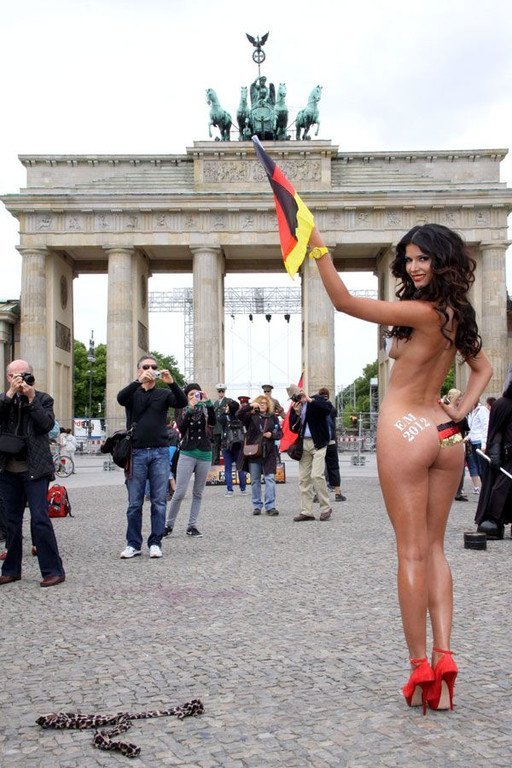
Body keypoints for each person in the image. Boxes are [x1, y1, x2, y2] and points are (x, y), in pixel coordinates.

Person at [308, 222, 492, 712]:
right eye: (408, 259)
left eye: (423, 258)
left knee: (411, 553)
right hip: (446, 434)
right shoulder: (456, 315)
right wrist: (462, 409)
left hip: (406, 428)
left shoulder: (420, 312)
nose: (413, 267)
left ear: (442, 261)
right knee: (436, 550)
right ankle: (445, 661)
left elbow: (344, 301)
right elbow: (483, 368)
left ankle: (420, 668)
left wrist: (318, 248)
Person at [0, 359, 66, 587]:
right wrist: (10, 395)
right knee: (12, 521)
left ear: (32, 376)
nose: (20, 380)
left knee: (40, 519)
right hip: (8, 469)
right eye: (15, 376)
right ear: (8, 377)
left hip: (35, 469)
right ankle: (11, 570)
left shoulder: (43, 399)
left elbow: (46, 425)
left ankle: (53, 570)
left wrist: (31, 398)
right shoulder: (4, 399)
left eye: (24, 375)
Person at [117, 356, 187, 559]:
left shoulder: (164, 394)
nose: (150, 369)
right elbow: (120, 398)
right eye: (145, 366)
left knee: (159, 501)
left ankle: (156, 542)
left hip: (160, 452)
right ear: (138, 370)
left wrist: (172, 383)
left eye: (153, 366)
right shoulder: (132, 393)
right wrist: (138, 382)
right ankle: (133, 544)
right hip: (136, 452)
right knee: (134, 503)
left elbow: (182, 402)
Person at [164, 383, 215, 538]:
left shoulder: (205, 407)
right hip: (187, 451)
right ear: (186, 397)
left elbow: (213, 422)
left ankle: (192, 526)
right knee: (179, 492)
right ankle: (168, 525)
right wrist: (190, 409)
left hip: (205, 452)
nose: (194, 396)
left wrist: (208, 403)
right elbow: (182, 427)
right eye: (191, 394)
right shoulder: (182, 408)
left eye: (197, 393)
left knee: (198, 493)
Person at [475, 369, 512, 539]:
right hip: (507, 458)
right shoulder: (503, 404)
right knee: (500, 489)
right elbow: (496, 431)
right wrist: (495, 452)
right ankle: (494, 521)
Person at [288, 384, 333, 522]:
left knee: (316, 475)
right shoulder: (296, 408)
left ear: (302, 392)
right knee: (304, 478)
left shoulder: (315, 400)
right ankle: (306, 511)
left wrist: (309, 400)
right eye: (293, 398)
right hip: (304, 444)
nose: (296, 400)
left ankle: (326, 508)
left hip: (318, 443)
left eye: (297, 396)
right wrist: (296, 414)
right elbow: (293, 428)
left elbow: (328, 408)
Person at [238, 395, 282, 516]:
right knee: (255, 480)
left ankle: (270, 506)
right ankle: (257, 505)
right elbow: (239, 414)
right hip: (254, 452)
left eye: (265, 403)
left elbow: (280, 433)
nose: (262, 404)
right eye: (260, 402)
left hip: (269, 452)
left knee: (270, 479)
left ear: (268, 405)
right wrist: (250, 406)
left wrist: (272, 435)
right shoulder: (250, 416)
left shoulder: (273, 417)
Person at [318, 387, 346, 502]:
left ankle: (317, 495)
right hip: (331, 442)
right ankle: (338, 493)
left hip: (319, 442)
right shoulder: (332, 409)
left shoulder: (316, 408)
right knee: (334, 467)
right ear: (328, 396)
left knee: (318, 469)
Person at [442, 388, 469, 502]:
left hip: (457, 439)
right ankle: (453, 491)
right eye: (459, 398)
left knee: (459, 467)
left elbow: (466, 427)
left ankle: (457, 491)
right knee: (451, 466)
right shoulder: (447, 409)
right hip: (450, 439)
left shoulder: (457, 410)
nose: (461, 400)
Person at [218, 400, 247, 497]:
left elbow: (218, 419)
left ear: (228, 408)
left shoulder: (224, 418)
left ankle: (230, 490)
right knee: (240, 468)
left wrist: (225, 412)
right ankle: (243, 489)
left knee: (228, 468)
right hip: (239, 445)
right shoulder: (241, 418)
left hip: (226, 445)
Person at [466, 400, 490, 492]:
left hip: (480, 442)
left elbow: (485, 427)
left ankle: (487, 490)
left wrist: (484, 444)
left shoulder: (482, 410)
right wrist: (467, 437)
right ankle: (485, 490)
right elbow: (473, 429)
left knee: (482, 468)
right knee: (478, 469)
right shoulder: (471, 412)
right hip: (473, 442)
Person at [212, 384, 231, 465]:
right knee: (216, 445)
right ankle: (215, 462)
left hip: (225, 427)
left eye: (222, 391)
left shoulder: (228, 401)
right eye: (219, 391)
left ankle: (227, 462)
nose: (221, 393)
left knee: (225, 445)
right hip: (216, 427)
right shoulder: (215, 403)